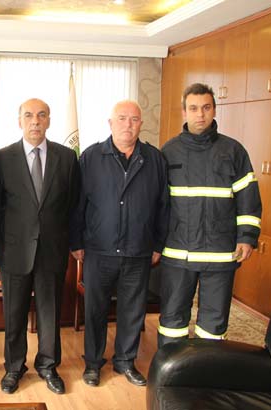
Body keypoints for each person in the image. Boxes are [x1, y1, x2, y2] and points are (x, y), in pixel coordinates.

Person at [71, 100, 169, 387]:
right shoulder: (91, 157)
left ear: (141, 124)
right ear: (110, 123)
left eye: (134, 119)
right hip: (98, 250)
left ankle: (125, 361)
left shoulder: (154, 159)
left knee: (133, 311)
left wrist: (158, 245)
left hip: (139, 250)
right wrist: (76, 241)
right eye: (122, 118)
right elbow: (77, 204)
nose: (128, 124)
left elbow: (164, 205)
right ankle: (93, 363)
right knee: (95, 311)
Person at [157, 83, 261, 346]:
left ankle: (208, 367)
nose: (200, 114)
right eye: (193, 108)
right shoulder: (168, 152)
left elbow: (248, 198)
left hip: (220, 253)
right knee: (172, 319)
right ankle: (171, 367)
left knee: (214, 323)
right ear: (184, 112)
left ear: (214, 110)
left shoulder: (234, 151)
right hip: (178, 253)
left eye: (206, 108)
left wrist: (247, 237)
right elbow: (157, 203)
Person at [0, 98, 78, 395]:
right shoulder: (1, 158)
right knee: (14, 313)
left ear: (49, 120)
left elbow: (73, 205)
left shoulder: (66, 158)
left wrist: (73, 242)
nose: (35, 121)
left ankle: (48, 365)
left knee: (49, 312)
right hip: (13, 249)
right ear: (19, 121)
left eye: (41, 115)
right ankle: (13, 367)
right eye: (29, 115)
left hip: (52, 249)